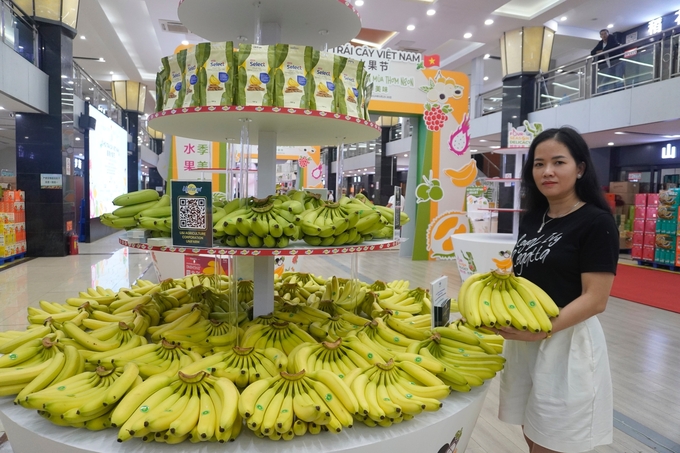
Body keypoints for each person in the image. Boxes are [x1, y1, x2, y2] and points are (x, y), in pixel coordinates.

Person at [496, 127, 618, 453]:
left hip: (567, 341)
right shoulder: (534, 218)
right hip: (525, 341)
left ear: (580, 168)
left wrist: (542, 330)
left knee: (555, 442)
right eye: (538, 164)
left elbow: (596, 299)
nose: (547, 171)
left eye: (558, 162)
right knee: (531, 432)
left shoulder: (596, 223)